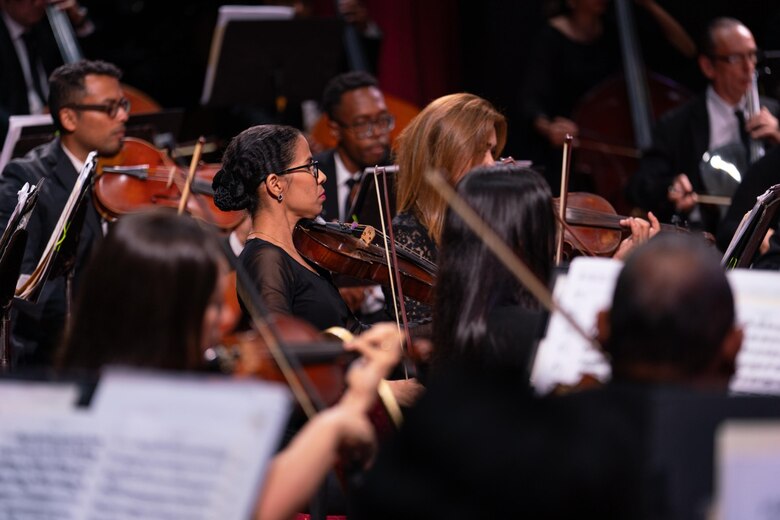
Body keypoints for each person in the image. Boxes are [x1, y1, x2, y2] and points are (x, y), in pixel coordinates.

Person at [54, 208, 403, 520]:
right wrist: (346, 414)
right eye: (211, 305)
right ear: (161, 314)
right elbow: (258, 504)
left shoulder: (81, 387)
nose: (224, 319)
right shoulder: (160, 414)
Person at [0, 58, 129, 366]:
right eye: (110, 107)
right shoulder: (27, 177)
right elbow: (20, 286)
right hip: (52, 356)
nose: (124, 116)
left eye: (123, 104)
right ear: (69, 118)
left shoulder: (116, 177)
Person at [521, 0, 695, 192]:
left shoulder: (616, 30)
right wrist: (550, 128)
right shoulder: (550, 38)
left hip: (616, 156)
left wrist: (649, 4)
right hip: (570, 156)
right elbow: (532, 103)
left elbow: (686, 50)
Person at [628, 17, 780, 236]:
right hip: (702, 240)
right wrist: (671, 188)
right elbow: (641, 184)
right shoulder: (677, 123)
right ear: (708, 67)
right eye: (736, 58)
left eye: (752, 55)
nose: (749, 67)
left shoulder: (775, 114)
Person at [211, 123, 363, 334]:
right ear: (275, 185)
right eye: (310, 167)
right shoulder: (265, 260)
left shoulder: (304, 250)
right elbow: (283, 350)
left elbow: (351, 332)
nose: (321, 177)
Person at [316, 70, 395, 324]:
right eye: (362, 125)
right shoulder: (310, 175)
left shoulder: (400, 174)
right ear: (334, 128)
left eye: (383, 120)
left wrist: (370, 291)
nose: (378, 134)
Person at [0, 0, 93, 143]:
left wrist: (78, 21)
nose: (39, 3)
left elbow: (94, 70)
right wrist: (32, 127)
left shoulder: (51, 22)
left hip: (57, 127)